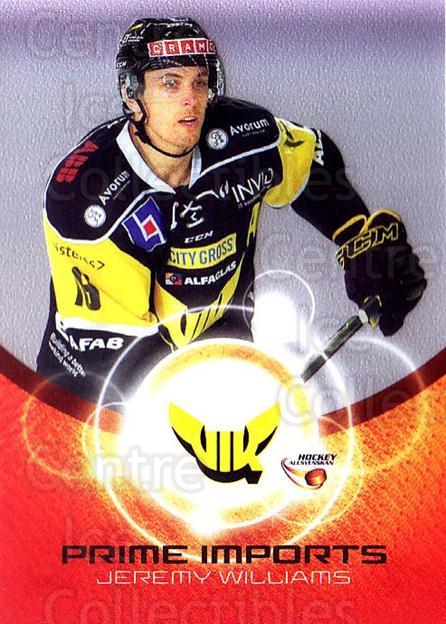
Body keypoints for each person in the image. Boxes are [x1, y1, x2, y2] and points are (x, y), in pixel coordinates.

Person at [36, 17, 426, 405]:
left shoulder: (246, 139)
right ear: (131, 92)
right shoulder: (88, 202)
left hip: (223, 361)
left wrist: (360, 238)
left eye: (199, 82)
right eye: (170, 83)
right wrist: (220, 415)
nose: (190, 99)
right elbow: (123, 367)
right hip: (88, 396)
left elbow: (310, 163)